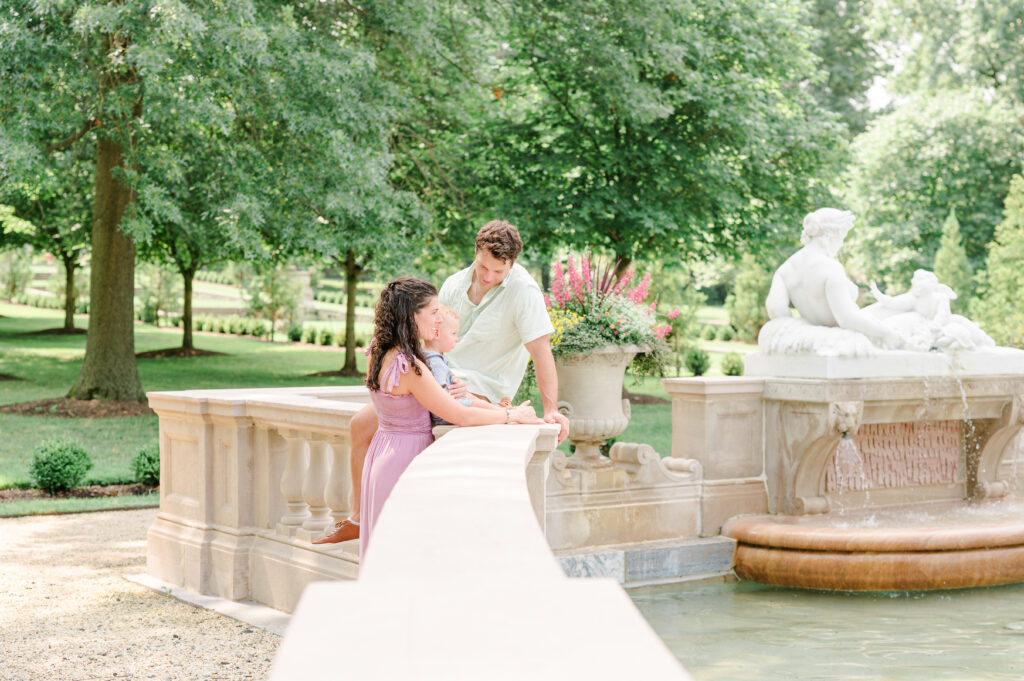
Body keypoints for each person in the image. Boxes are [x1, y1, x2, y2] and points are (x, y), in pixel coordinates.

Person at [314, 220, 569, 545]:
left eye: (498, 272)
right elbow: (429, 331)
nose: (488, 277)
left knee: (440, 431)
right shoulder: (454, 283)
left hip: (481, 386)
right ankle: (359, 517)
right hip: (437, 373)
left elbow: (540, 349)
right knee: (359, 426)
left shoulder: (524, 291)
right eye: (483, 267)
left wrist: (551, 409)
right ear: (475, 252)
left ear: (512, 264)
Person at [339, 277, 542, 557]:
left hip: (381, 455)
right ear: (412, 316)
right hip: (405, 463)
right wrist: (511, 415)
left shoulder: (379, 350)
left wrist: (451, 388)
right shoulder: (411, 368)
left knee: (386, 556)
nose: (439, 319)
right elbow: (460, 416)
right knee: (407, 556)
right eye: (433, 312)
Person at [763, 208, 901, 351]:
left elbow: (776, 309)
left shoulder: (785, 270)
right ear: (830, 235)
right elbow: (847, 318)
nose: (841, 244)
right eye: (842, 237)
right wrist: (886, 333)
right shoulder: (830, 268)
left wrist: (803, 326)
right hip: (849, 335)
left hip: (815, 333)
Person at [423, 306, 510, 427]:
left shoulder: (431, 358)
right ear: (437, 333)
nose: (456, 339)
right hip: (448, 413)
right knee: (476, 404)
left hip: (450, 409)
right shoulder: (435, 362)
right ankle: (505, 412)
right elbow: (441, 399)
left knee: (475, 401)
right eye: (453, 333)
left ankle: (499, 409)